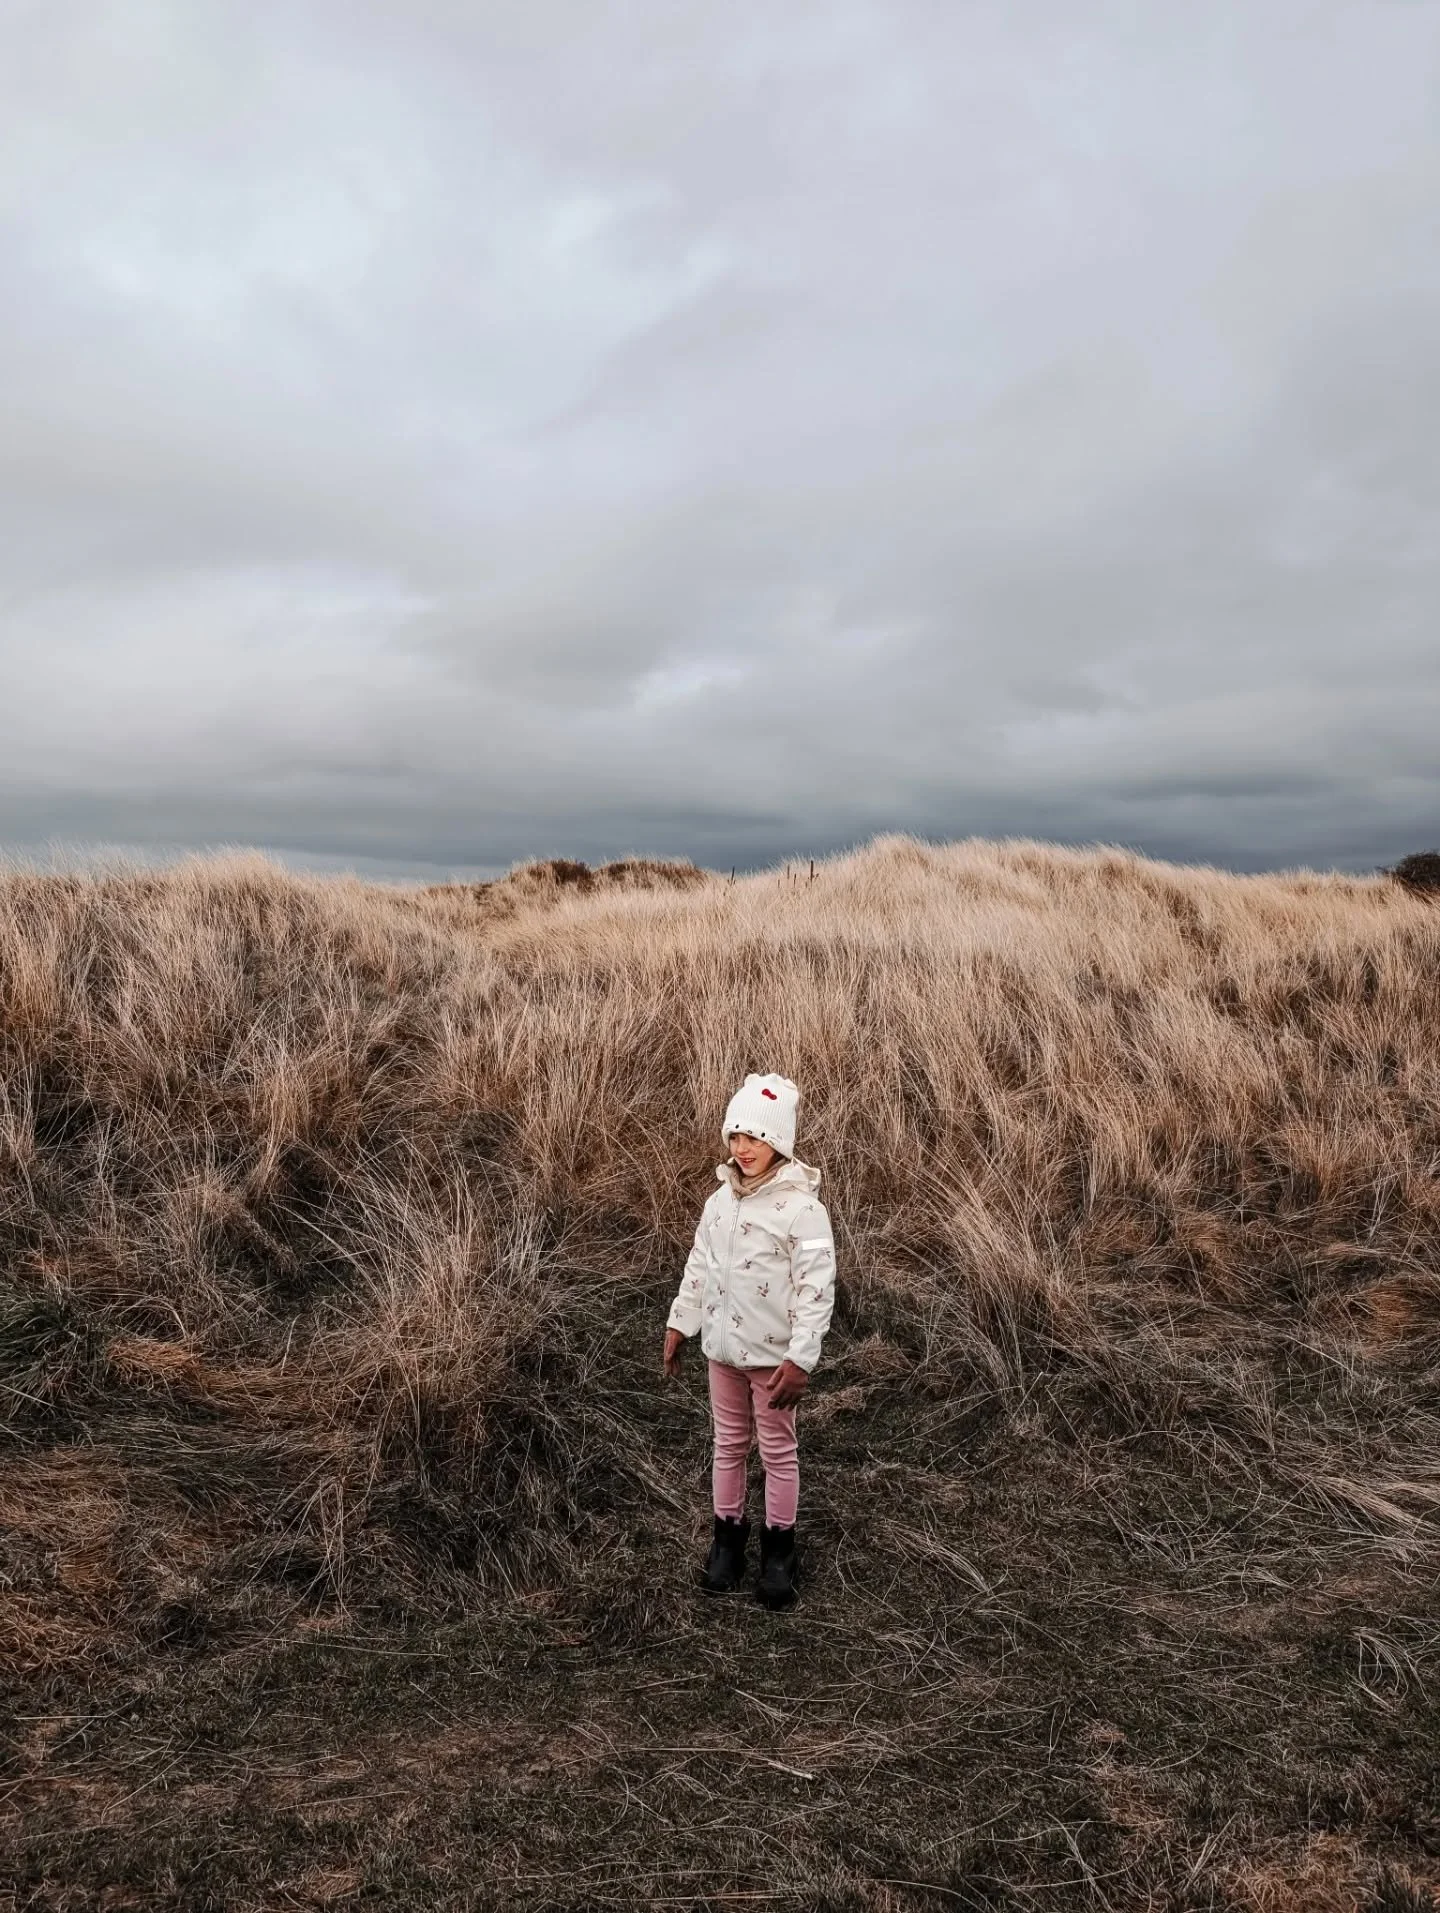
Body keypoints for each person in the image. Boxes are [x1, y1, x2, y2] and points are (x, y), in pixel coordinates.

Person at [662, 1072, 837, 1609]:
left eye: (755, 1138)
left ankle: (780, 1552)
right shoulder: (719, 1202)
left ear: (778, 1141)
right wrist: (680, 1322)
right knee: (729, 1444)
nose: (743, 1148)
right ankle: (727, 1543)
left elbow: (816, 1288)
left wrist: (800, 1358)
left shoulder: (803, 1210)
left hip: (774, 1361)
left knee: (778, 1451)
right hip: (722, 1354)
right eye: (735, 1136)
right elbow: (700, 1265)